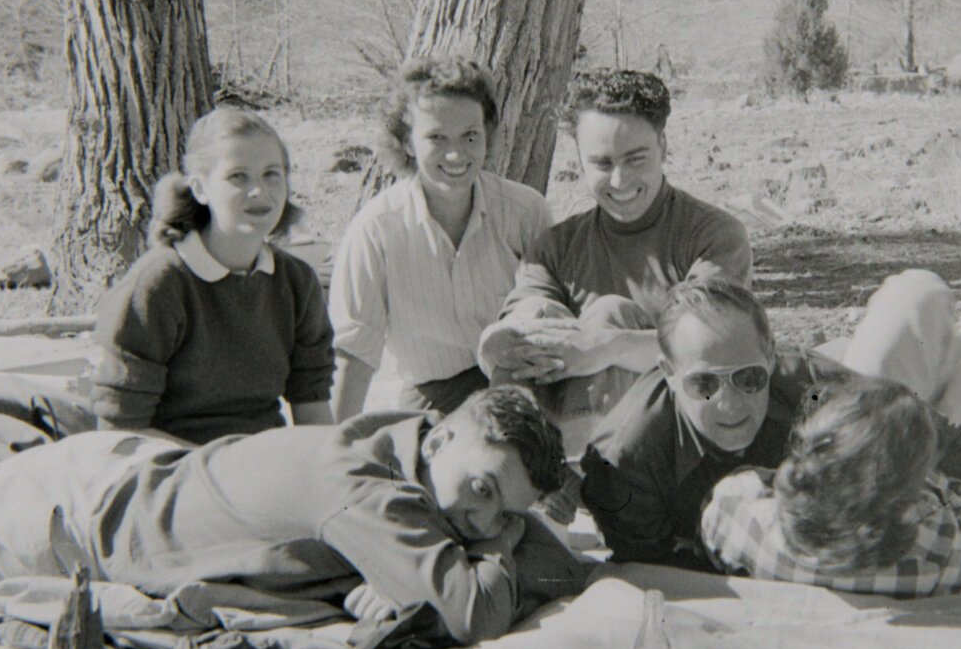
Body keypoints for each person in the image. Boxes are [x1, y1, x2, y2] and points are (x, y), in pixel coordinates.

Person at [0, 387, 579, 647]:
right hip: (62, 525)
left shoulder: (400, 449)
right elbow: (470, 612)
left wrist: (481, 541)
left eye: (499, 509)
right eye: (481, 486)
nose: (476, 516)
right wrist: (502, 543)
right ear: (447, 435)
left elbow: (560, 562)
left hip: (113, 473)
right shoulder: (368, 487)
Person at [578, 275, 961, 570]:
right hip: (836, 519)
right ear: (667, 374)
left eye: (749, 378)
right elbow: (659, 576)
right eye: (704, 384)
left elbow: (939, 436)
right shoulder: (625, 461)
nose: (730, 403)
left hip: (864, 450)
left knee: (926, 293)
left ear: (772, 358)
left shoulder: (808, 387)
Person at [478, 69, 751, 435]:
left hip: (682, 429)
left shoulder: (713, 235)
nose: (620, 181)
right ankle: (508, 460)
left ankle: (585, 475)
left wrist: (608, 347)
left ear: (663, 147)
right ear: (579, 159)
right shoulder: (555, 246)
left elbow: (711, 349)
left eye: (636, 158)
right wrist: (514, 338)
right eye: (602, 164)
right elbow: (516, 330)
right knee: (532, 324)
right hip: (559, 423)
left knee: (612, 313)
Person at [90, 107, 334, 444]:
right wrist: (218, 469)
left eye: (271, 174)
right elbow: (120, 432)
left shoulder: (296, 283)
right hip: (169, 469)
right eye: (238, 176)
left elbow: (313, 411)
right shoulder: (159, 283)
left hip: (265, 463)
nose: (259, 192)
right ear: (200, 189)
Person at [329, 58, 553, 419]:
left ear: (488, 133)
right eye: (436, 137)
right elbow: (354, 353)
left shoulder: (525, 211)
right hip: (436, 401)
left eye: (470, 136)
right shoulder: (375, 230)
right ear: (406, 141)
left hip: (524, 384)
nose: (455, 154)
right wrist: (332, 456)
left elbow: (555, 314)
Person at [700, 376, 961, 597]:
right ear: (910, 500)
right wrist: (936, 485)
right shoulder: (945, 550)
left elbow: (729, 495)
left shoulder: (743, 522)